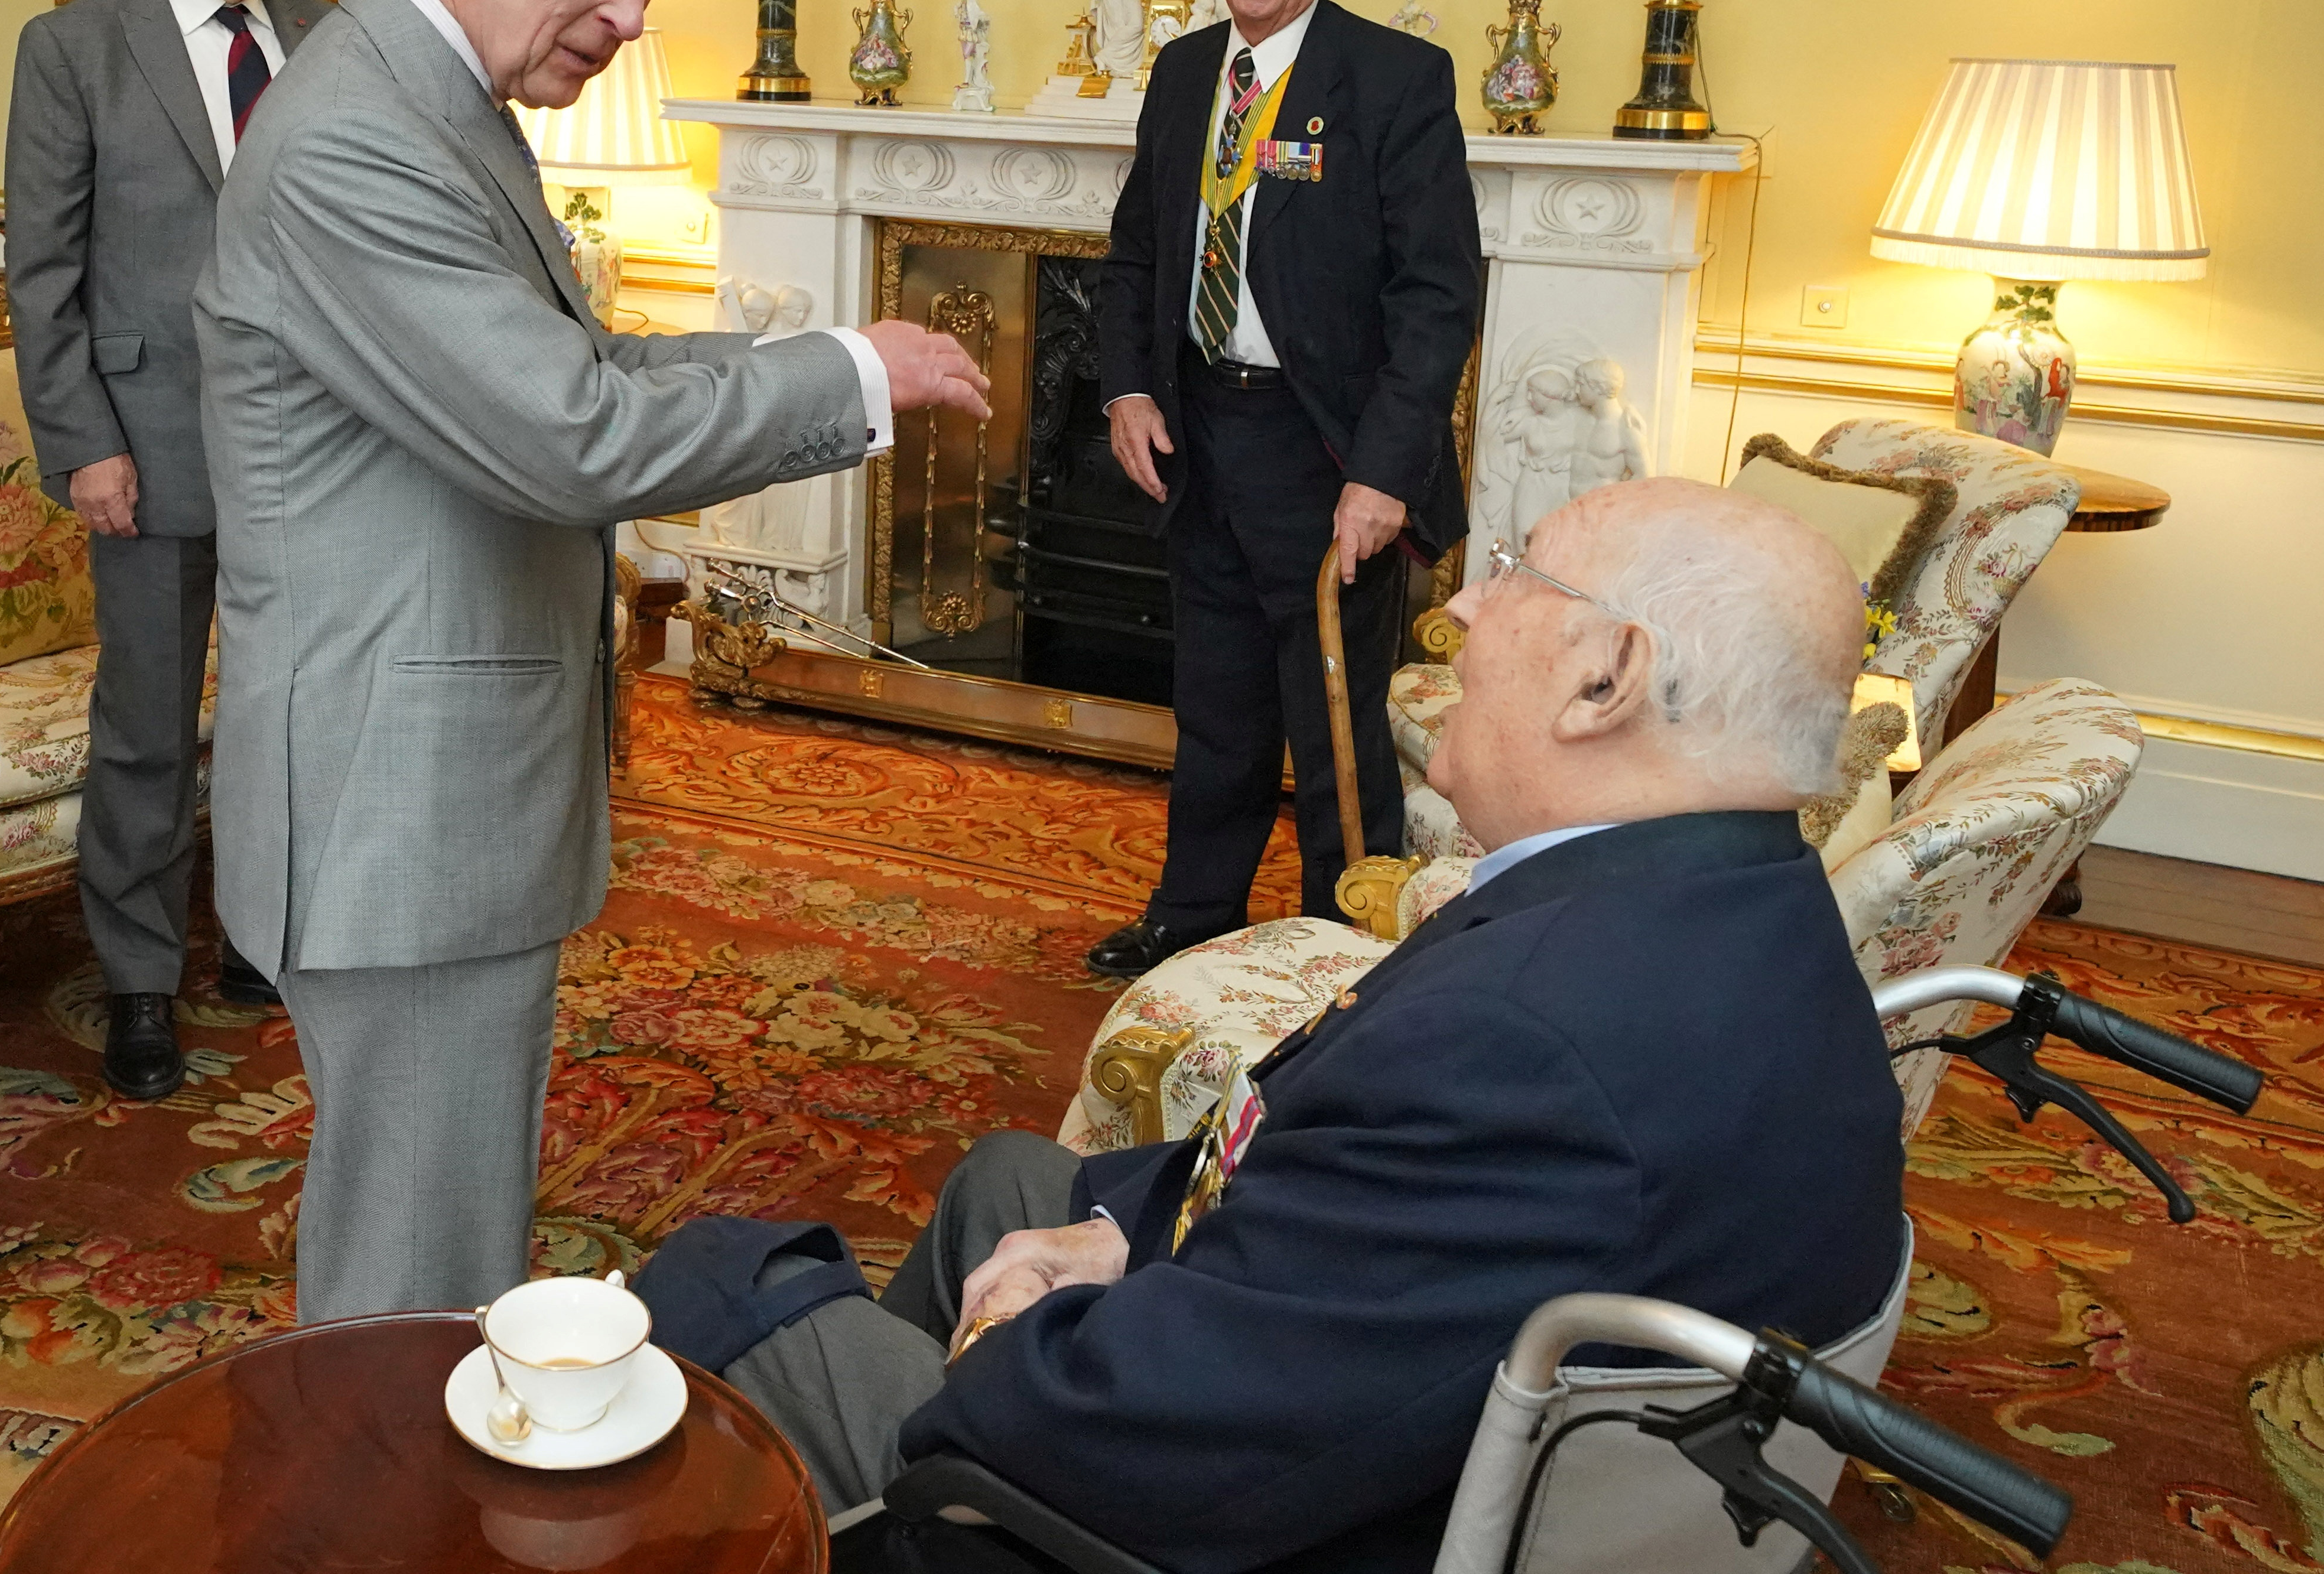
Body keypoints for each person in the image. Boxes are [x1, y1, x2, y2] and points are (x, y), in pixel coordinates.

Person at [641, 477, 1907, 1572]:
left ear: (1604, 675)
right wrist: (1111, 1236)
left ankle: (894, 1515)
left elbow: (1155, 1439)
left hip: (1255, 1519)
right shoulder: (1746, 905)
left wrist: (1007, 1348)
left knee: (731, 1282)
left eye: (1517, 571)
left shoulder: (1526, 1047)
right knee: (1012, 1186)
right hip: (1388, 1399)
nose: (1466, 606)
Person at [192, 0, 991, 1319]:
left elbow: (584, 367)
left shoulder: (437, 99)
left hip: (437, 793)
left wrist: (828, 362)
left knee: (446, 1243)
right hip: (395, 804)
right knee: (409, 1280)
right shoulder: (362, 136)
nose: (632, 13)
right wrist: (845, 378)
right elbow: (571, 434)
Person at [1087, 0, 1481, 978]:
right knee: (1214, 699)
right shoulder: (1181, 73)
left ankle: (1345, 941)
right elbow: (1134, 252)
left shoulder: (1395, 79)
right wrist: (1126, 386)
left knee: (1332, 716)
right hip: (1200, 436)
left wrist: (1384, 471)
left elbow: (1436, 296)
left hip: (1328, 453)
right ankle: (1190, 912)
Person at [4, 0, 326, 1098]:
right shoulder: (75, 48)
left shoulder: (322, 34)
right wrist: (84, 441)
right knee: (146, 726)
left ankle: (256, 933)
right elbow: (42, 272)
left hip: (310, 449)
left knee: (282, 710)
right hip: (148, 447)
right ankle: (139, 978)